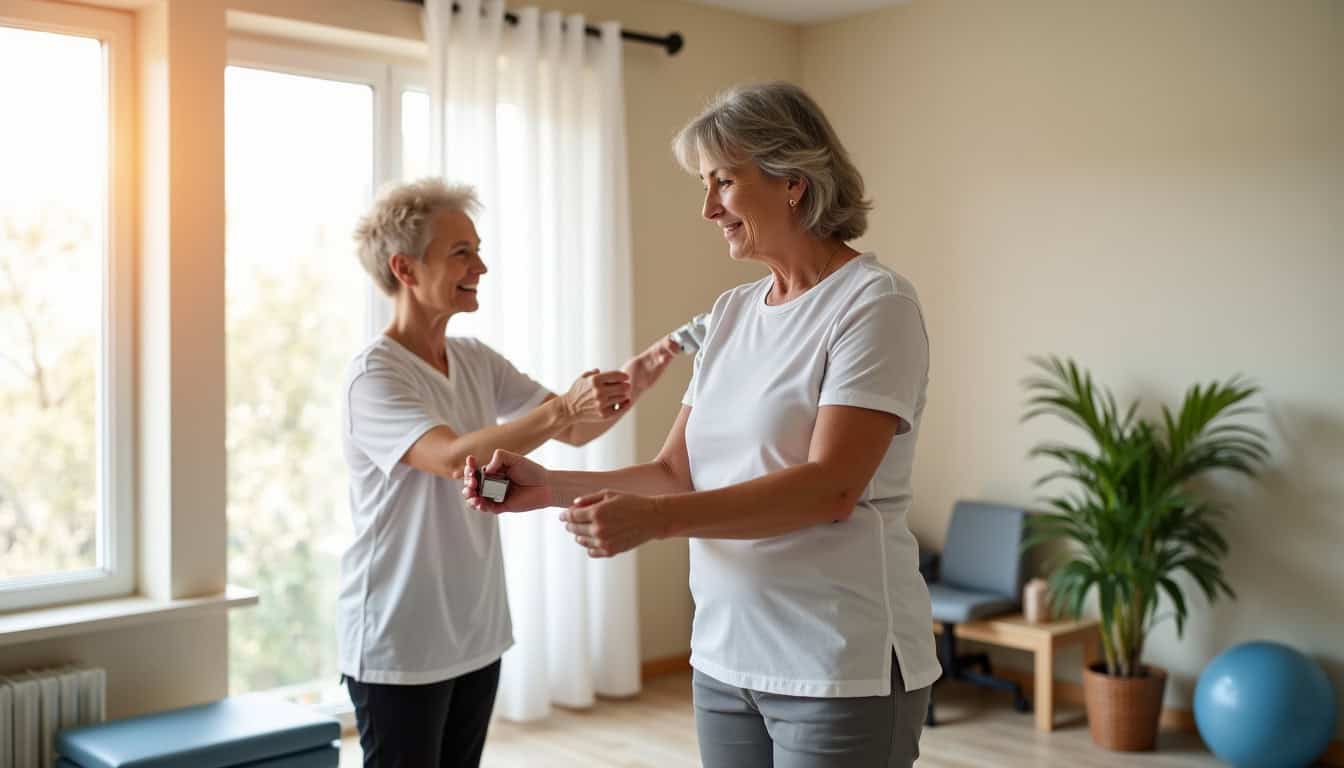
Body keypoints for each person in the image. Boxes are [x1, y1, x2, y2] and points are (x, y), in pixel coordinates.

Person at [464, 82, 940, 767]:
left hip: (837, 661)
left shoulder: (873, 304)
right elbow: (673, 471)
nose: (708, 207)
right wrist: (550, 484)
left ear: (793, 183)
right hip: (726, 657)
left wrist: (657, 522)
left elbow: (830, 489)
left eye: (723, 181)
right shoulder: (733, 313)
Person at [339, 178, 677, 767]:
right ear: (406, 268)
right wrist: (564, 407)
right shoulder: (374, 376)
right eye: (461, 252)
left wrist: (632, 382)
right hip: (401, 636)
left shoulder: (474, 359)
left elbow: (572, 430)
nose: (481, 265)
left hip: (475, 629)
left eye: (477, 248)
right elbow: (449, 457)